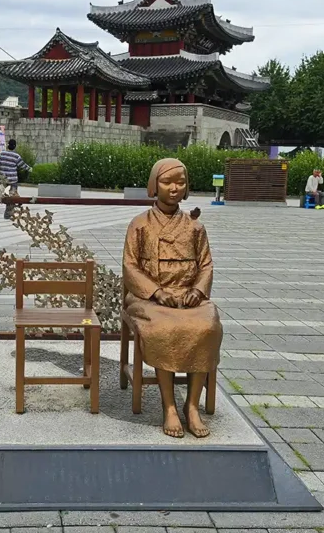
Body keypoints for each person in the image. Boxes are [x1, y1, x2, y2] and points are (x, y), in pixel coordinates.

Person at [123, 158, 221, 438]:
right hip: (149, 298)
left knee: (207, 326)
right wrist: (156, 291)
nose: (174, 188)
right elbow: (130, 266)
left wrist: (198, 291)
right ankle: (168, 406)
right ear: (155, 185)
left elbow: (206, 265)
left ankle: (192, 405)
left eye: (180, 182)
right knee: (166, 329)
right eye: (167, 182)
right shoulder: (139, 224)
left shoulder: (195, 227)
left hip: (188, 296)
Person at [0, 139, 31, 219]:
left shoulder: (2, 154)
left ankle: (13, 208)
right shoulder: (16, 156)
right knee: (13, 195)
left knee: (7, 196)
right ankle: (11, 211)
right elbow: (22, 165)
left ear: (8, 145)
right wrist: (30, 169)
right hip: (13, 180)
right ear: (15, 146)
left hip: (4, 180)